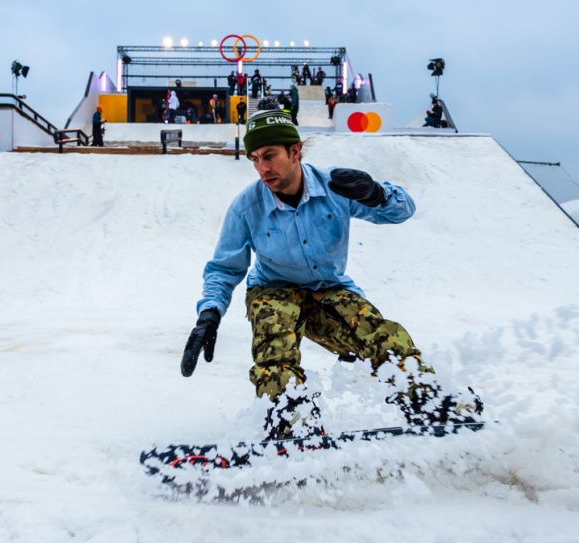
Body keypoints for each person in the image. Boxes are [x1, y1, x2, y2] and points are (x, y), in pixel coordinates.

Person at [180, 99, 483, 441]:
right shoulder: (246, 207)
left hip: (329, 288)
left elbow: (403, 211)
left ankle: (429, 404)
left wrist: (377, 194)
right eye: (255, 160)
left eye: (269, 155)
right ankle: (290, 419)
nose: (262, 168)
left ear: (295, 151)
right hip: (272, 290)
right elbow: (224, 268)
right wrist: (209, 313)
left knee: (380, 333)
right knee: (274, 335)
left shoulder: (335, 187)